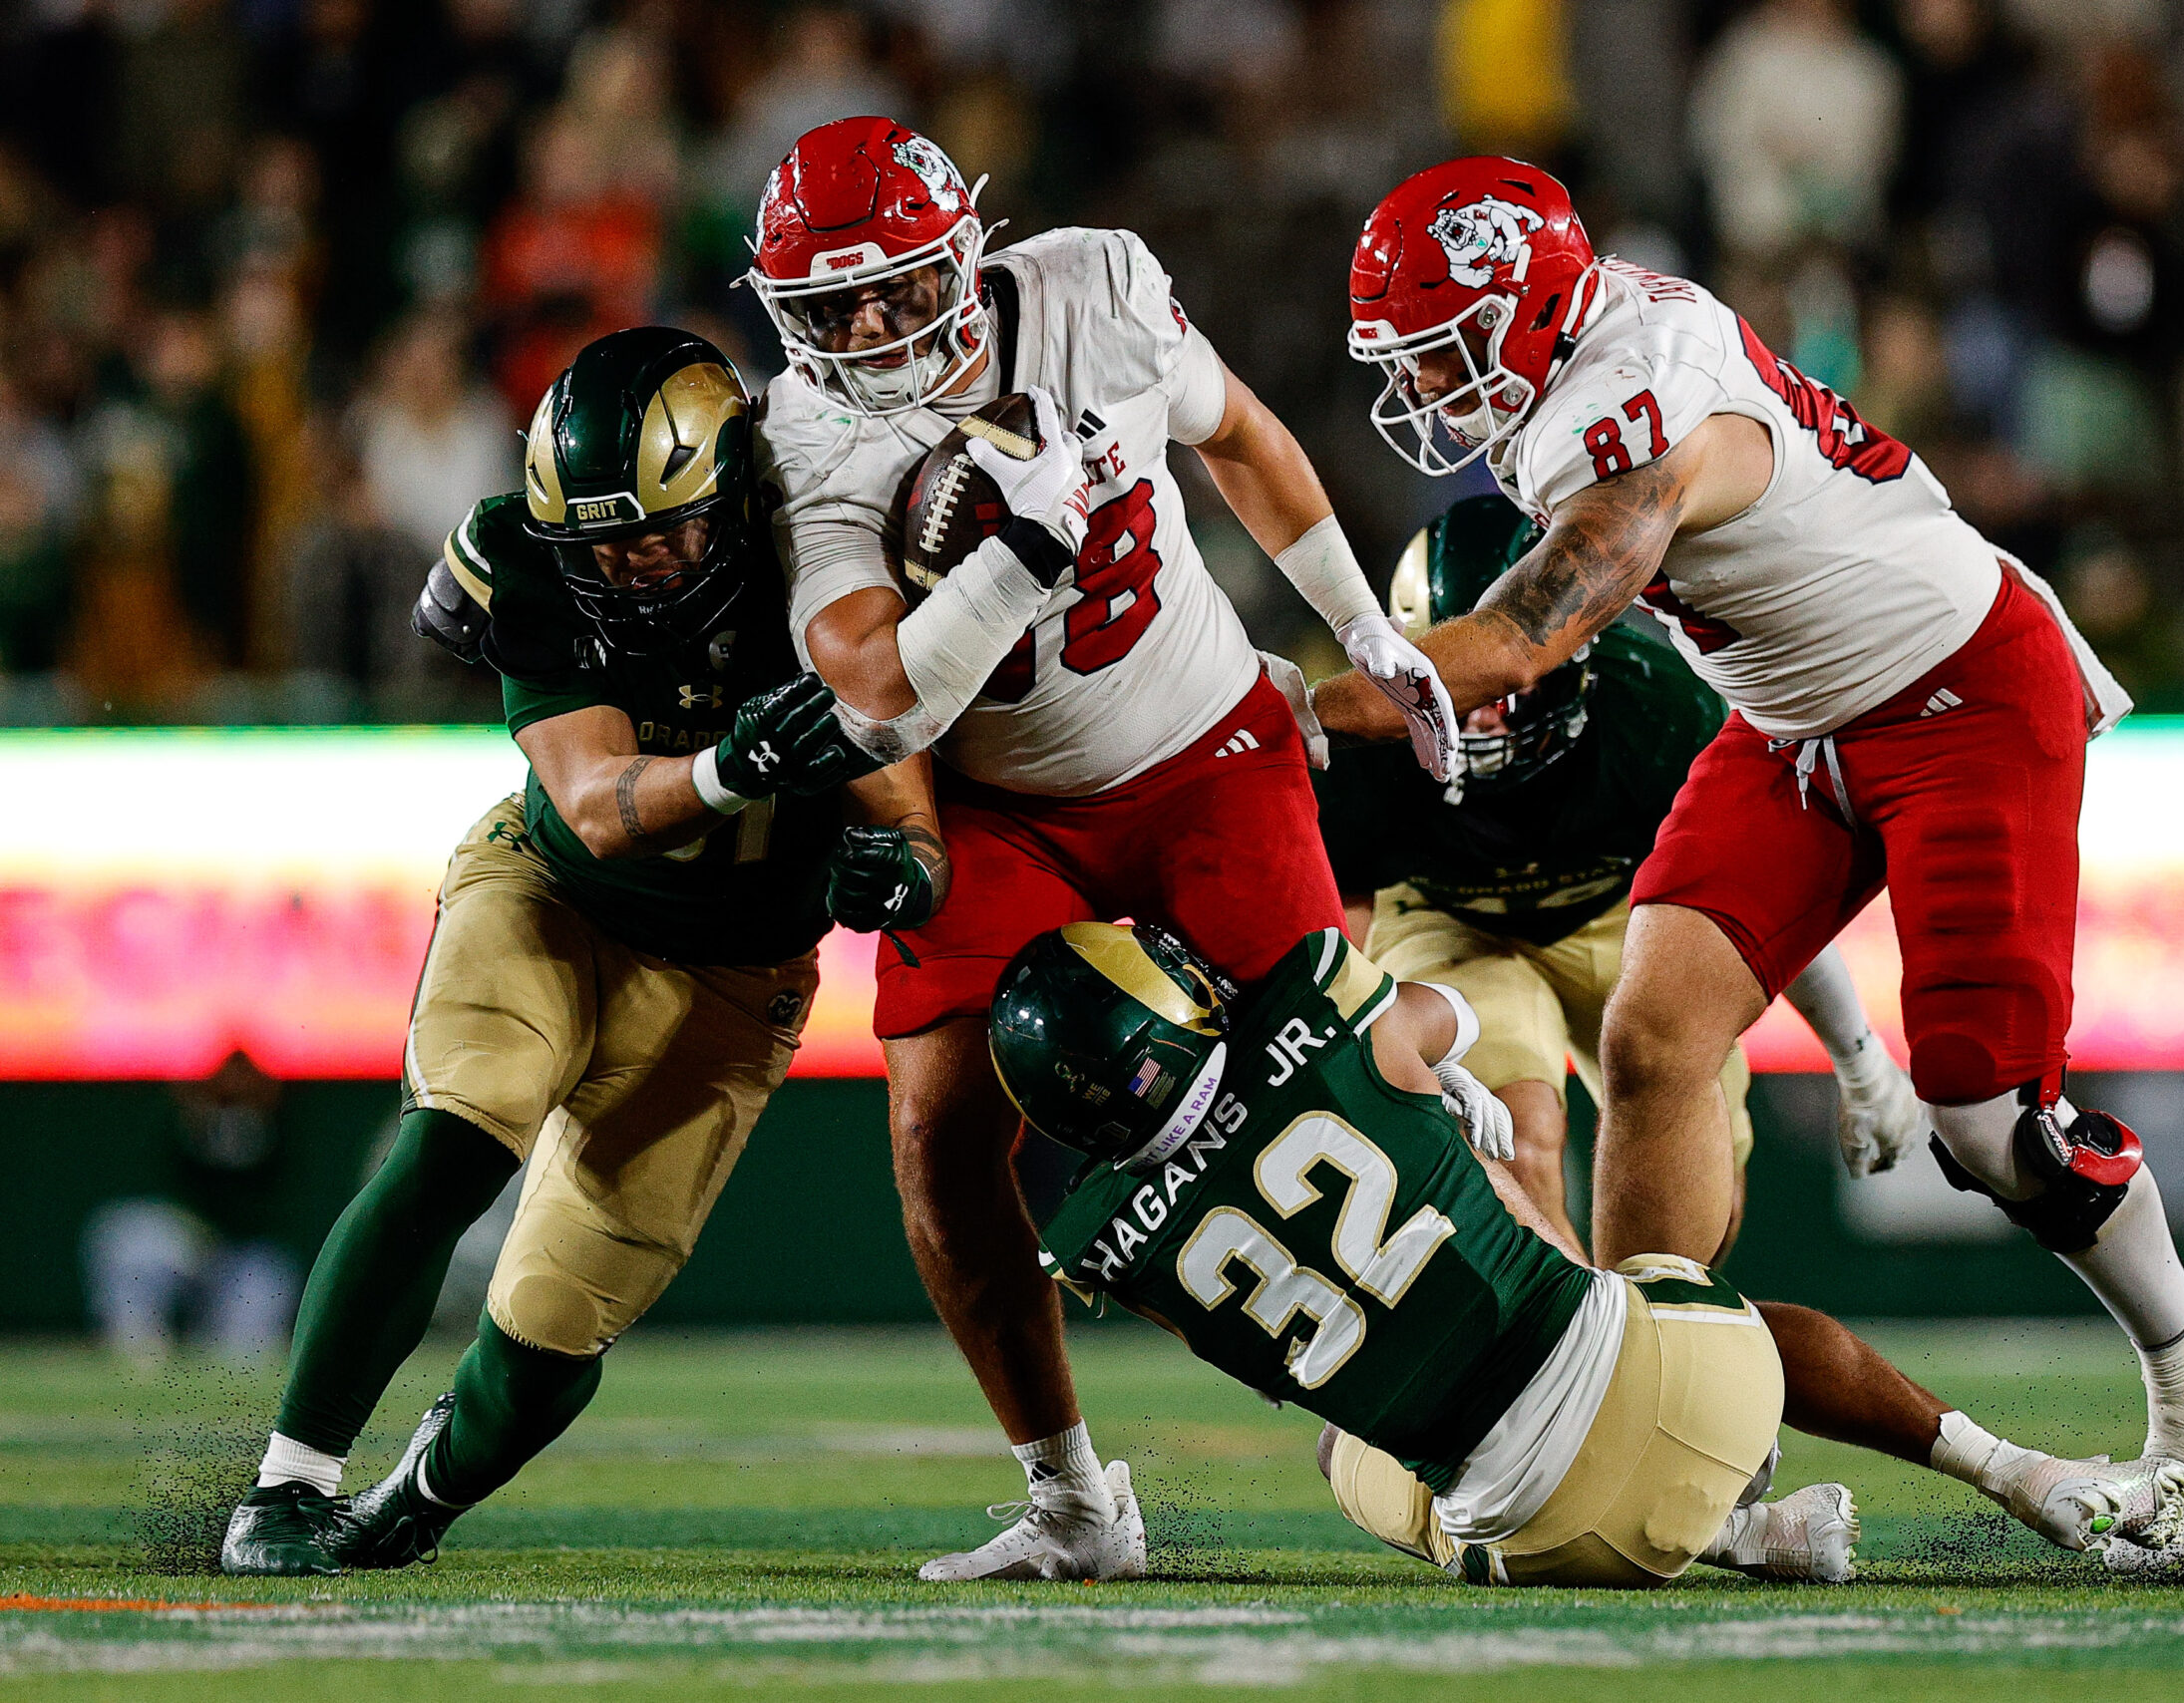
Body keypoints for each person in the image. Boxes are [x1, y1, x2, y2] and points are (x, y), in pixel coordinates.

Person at [1312, 158, 2184, 1569]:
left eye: (1449, 349)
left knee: (1986, 1119)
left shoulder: (1630, 407)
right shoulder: (1584, 353)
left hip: (1951, 689)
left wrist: (1268, 697)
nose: (1432, 391)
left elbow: (1513, 647)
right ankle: (1657, 1380)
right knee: (1650, 1040)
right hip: (1794, 714)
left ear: (1528, 315)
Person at [747, 117, 1460, 1582]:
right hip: (1005, 809)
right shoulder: (807, 441)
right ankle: (1072, 1498)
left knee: (1353, 1093)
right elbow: (879, 701)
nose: (872, 332)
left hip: (1205, 748)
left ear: (970, 255)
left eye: (900, 291)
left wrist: (1367, 631)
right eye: (833, 306)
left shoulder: (1097, 292)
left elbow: (1245, 437)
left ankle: (1507, 1387)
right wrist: (1023, 548)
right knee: (941, 1138)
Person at [219, 328, 933, 1575]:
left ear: (729, 487)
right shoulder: (521, 559)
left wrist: (900, 866)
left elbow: (910, 810)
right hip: (556, 891)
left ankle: (415, 1501)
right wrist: (739, 764)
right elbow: (600, 798)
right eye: (600, 538)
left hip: (738, 972)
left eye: (657, 527)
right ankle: (285, 1485)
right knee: (462, 1124)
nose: (631, 560)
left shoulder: (817, 557)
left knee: (560, 1318)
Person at [997, 920, 2184, 1587]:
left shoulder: (1092, 1242)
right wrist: (1444, 1089)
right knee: (1684, 1300)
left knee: (1347, 1446)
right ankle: (2017, 1473)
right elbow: (1453, 1019)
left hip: (1541, 1549)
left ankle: (1733, 1535)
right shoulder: (1315, 995)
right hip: (1688, 1390)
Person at [1316, 495, 1925, 1256]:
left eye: (1501, 681)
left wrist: (1859, 1056)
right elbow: (1336, 936)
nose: (1480, 715)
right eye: (1451, 679)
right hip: (1447, 923)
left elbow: (1757, 906)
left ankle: (1642, 1330)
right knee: (1514, 1133)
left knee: (1689, 1217)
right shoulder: (1365, 744)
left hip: (1626, 914)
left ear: (1569, 653)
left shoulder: (1659, 715)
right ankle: (1583, 1352)